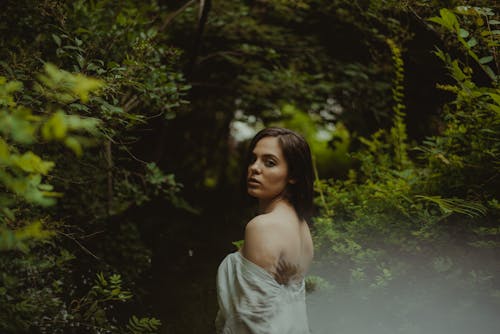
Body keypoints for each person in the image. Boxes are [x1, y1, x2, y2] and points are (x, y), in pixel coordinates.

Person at [215, 127, 314, 333]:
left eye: (269, 162)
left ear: (293, 175)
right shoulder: (301, 227)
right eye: (253, 159)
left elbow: (253, 324)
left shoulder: (263, 227)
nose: (254, 168)